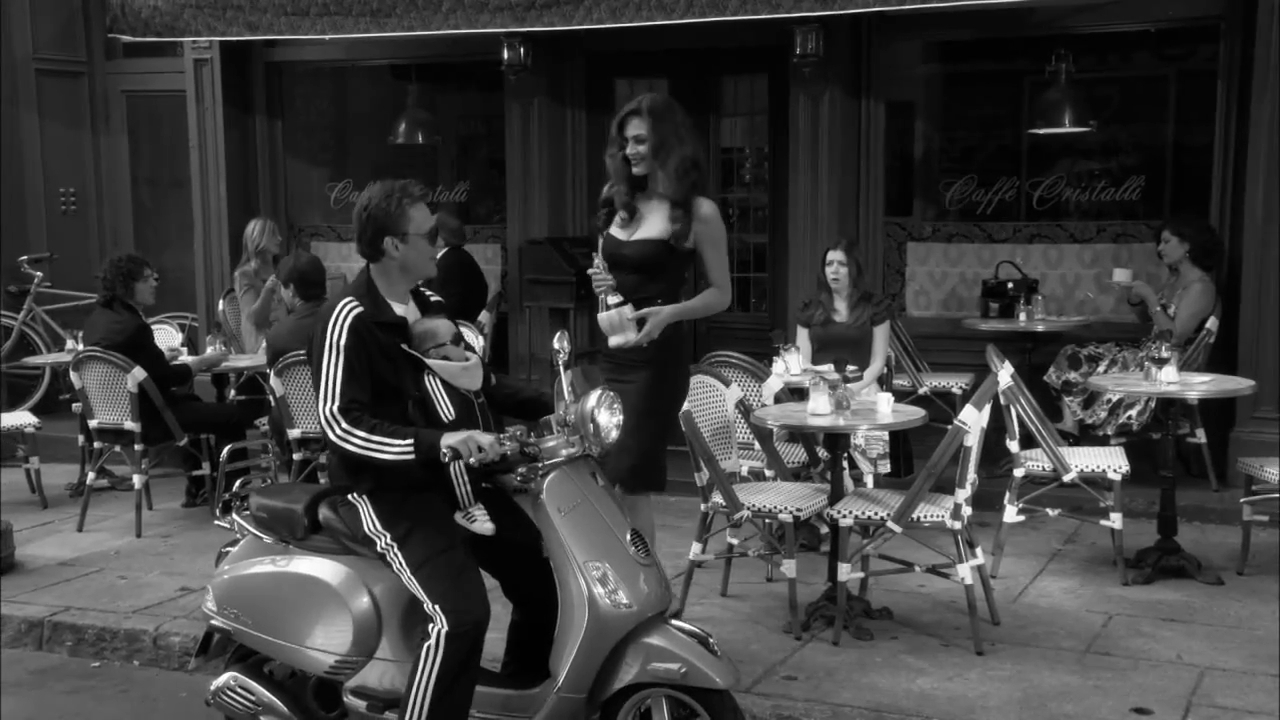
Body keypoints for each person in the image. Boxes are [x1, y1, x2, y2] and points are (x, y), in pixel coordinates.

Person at [310, 179, 558, 719]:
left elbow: (476, 379)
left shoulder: (429, 302)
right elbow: (340, 424)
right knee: (459, 617)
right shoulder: (348, 319)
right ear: (393, 245)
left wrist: (555, 403)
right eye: (428, 235)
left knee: (544, 578)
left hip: (456, 483)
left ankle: (516, 697)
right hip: (385, 493)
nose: (439, 243)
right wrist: (436, 441)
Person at [585, 93, 731, 548]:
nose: (630, 150)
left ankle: (645, 579)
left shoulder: (698, 211)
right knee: (604, 475)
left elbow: (722, 294)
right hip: (613, 353)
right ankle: (624, 574)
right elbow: (613, 273)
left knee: (630, 478)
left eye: (641, 140)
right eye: (625, 142)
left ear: (666, 142)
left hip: (655, 364)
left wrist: (671, 313)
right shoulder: (616, 199)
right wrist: (603, 283)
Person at [81, 253, 257, 508]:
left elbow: (126, 364)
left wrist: (159, 357)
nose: (154, 283)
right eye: (146, 280)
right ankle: (233, 497)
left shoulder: (96, 320)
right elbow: (166, 379)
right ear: (125, 285)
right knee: (231, 416)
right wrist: (200, 363)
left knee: (192, 401)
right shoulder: (134, 326)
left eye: (154, 278)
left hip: (107, 420)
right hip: (149, 420)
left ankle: (200, 487)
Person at [1046, 218, 1221, 437]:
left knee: (1105, 362)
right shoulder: (1174, 280)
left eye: (1166, 242)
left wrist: (1150, 298)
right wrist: (1136, 300)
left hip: (1168, 363)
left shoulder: (1201, 288)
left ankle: (1106, 431)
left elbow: (1175, 338)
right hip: (1148, 350)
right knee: (1073, 353)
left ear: (1188, 244)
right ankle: (1069, 424)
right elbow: (1153, 322)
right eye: (1160, 242)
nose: (1160, 248)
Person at [407, 315, 554, 536]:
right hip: (461, 480)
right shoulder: (434, 382)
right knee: (460, 446)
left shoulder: (466, 373)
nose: (464, 345)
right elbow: (455, 432)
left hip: (489, 470)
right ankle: (467, 507)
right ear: (435, 354)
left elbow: (496, 405)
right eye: (457, 340)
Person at [795, 242, 895, 478]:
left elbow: (878, 363)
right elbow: (802, 362)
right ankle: (830, 481)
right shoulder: (810, 309)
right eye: (829, 264)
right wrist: (827, 389)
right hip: (821, 389)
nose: (834, 270)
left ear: (854, 269)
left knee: (868, 450)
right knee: (824, 424)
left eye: (842, 264)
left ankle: (868, 484)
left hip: (862, 386)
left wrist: (851, 390)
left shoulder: (874, 307)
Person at [426, 210, 492, 330]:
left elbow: (441, 305)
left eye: (429, 232)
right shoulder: (456, 257)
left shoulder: (450, 263)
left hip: (449, 332)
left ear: (440, 237)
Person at [264, 250, 329, 368]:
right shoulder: (344, 320)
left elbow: (274, 377)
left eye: (281, 286)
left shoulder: (276, 336)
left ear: (291, 289)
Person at [233, 217, 288, 353]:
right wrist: (267, 291)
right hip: (261, 344)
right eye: (273, 235)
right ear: (259, 239)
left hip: (285, 335)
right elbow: (254, 319)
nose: (279, 238)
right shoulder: (245, 275)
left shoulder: (280, 268)